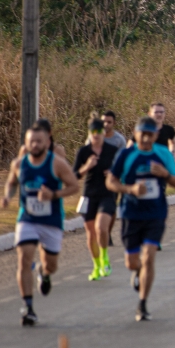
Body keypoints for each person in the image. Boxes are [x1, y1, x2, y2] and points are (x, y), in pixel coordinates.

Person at [2, 120, 80, 327]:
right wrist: (7, 196)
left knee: (51, 265)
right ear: (26, 143)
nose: (35, 145)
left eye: (39, 141)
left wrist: (53, 194)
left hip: (51, 220)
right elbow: (11, 182)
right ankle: (27, 307)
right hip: (27, 219)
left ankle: (44, 274)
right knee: (24, 258)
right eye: (31, 141)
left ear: (47, 141)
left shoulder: (57, 163)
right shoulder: (19, 163)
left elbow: (74, 186)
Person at [106, 116, 175, 321]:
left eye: (150, 135)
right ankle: (137, 272)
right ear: (135, 134)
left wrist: (165, 174)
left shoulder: (163, 153)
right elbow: (111, 182)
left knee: (148, 256)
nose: (146, 139)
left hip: (156, 213)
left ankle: (142, 304)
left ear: (156, 135)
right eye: (142, 134)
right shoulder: (126, 155)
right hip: (131, 213)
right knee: (131, 262)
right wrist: (130, 189)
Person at [73, 118, 120, 281]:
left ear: (103, 133)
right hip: (88, 196)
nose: (96, 135)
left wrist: (113, 173)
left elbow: (122, 170)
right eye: (93, 132)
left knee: (101, 228)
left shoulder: (112, 150)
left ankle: (105, 257)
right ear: (89, 133)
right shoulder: (83, 151)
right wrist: (87, 166)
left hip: (107, 194)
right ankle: (96, 266)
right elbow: (74, 175)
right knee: (91, 234)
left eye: (99, 132)